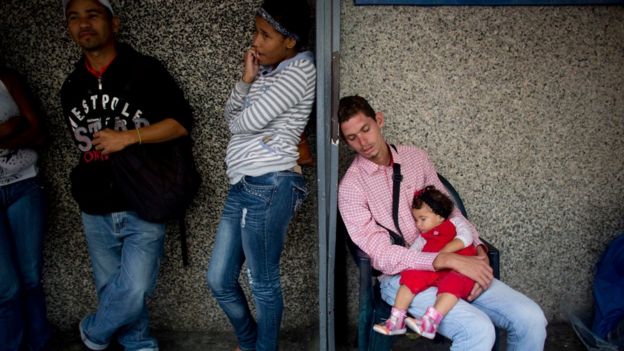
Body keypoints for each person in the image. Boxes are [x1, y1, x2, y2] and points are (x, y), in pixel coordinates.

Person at [338, 95, 547, 350]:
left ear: (379, 120)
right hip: (404, 279)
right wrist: (443, 259)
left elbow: (451, 213)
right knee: (477, 330)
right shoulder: (351, 187)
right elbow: (381, 255)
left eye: (365, 129)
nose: (362, 142)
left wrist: (478, 251)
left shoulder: (415, 158)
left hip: (456, 264)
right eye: (352, 138)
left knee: (531, 318)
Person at [60, 0, 193, 350]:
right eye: (74, 18)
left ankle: (92, 331)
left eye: (92, 14)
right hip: (95, 204)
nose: (83, 24)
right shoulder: (72, 85)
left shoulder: (146, 71)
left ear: (114, 23)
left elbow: (181, 124)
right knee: (112, 289)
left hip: (144, 199)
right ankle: (140, 345)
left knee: (134, 288)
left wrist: (128, 138)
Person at [206, 0, 315, 350]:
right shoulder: (269, 73)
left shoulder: (301, 69)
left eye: (265, 35)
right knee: (219, 279)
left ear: (290, 41)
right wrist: (246, 80)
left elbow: (244, 122)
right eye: (256, 32)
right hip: (242, 185)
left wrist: (242, 117)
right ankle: (250, 342)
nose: (256, 41)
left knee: (263, 282)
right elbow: (231, 118)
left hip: (270, 183)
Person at [373, 185, 478, 338]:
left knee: (452, 286)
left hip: (461, 268)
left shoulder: (455, 223)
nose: (418, 224)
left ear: (440, 216)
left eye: (423, 219)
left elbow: (466, 238)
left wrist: (443, 254)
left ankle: (429, 323)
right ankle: (396, 320)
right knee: (410, 277)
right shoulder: (423, 238)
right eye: (416, 219)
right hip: (435, 267)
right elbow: (413, 254)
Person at [0, 67, 51, 351]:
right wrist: (9, 127)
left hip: (24, 185)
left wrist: (10, 134)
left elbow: (39, 133)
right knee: (6, 288)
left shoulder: (6, 80)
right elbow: (20, 126)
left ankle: (39, 343)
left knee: (31, 277)